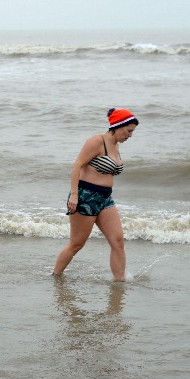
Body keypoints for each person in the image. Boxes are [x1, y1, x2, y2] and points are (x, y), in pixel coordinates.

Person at [52, 108, 138, 281]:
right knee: (77, 244)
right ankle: (56, 276)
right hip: (85, 196)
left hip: (105, 198)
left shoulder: (115, 145)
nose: (130, 135)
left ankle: (119, 282)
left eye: (132, 132)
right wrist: (74, 195)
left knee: (118, 241)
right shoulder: (97, 141)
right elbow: (77, 166)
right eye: (128, 131)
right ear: (117, 125)